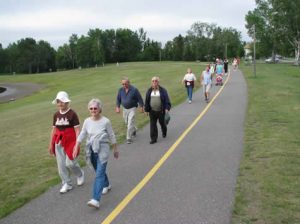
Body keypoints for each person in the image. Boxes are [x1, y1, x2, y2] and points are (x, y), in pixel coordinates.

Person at [73, 98, 119, 209]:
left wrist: (115, 149)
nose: (93, 110)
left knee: (99, 173)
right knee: (98, 170)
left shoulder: (106, 121)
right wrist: (76, 146)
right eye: (91, 108)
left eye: (95, 108)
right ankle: (107, 184)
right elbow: (82, 134)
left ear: (100, 109)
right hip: (91, 149)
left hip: (103, 149)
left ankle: (95, 199)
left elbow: (111, 135)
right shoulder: (87, 121)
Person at [49, 91, 84, 194]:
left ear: (67, 102)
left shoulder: (72, 114)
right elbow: (54, 130)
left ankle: (80, 174)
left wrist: (77, 143)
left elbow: (77, 130)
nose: (60, 104)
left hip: (70, 141)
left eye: (62, 101)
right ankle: (67, 183)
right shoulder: (56, 115)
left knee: (70, 163)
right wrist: (51, 144)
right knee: (61, 164)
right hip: (58, 141)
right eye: (58, 101)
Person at [116, 77, 144, 144]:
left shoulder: (134, 90)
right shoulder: (120, 90)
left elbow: (139, 98)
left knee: (130, 122)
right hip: (125, 109)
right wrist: (117, 107)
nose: (124, 85)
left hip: (132, 108)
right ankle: (134, 129)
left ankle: (128, 138)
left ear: (129, 83)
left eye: (125, 84)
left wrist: (141, 107)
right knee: (127, 122)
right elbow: (118, 99)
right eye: (122, 84)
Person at [144, 76, 171, 144]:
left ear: (158, 82)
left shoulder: (163, 90)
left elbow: (166, 100)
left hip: (161, 111)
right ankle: (153, 139)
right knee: (153, 125)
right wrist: (146, 110)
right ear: (151, 82)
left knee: (162, 123)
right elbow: (147, 101)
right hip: (152, 111)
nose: (154, 82)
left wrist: (167, 108)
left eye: (156, 81)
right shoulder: (149, 90)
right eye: (153, 81)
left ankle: (164, 132)